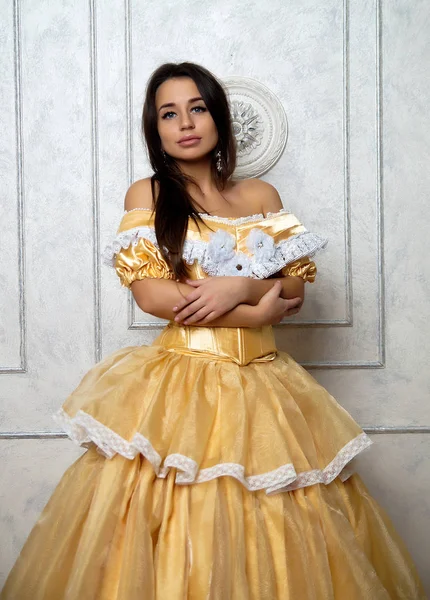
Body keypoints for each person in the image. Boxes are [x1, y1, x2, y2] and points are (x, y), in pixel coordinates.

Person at [1, 61, 426, 600]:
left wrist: (235, 289)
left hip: (267, 384)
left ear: (218, 118)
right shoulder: (149, 193)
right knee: (185, 515)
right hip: (186, 379)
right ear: (154, 130)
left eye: (197, 108)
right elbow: (154, 296)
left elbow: (294, 292)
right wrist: (255, 310)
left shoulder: (261, 198)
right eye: (168, 114)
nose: (185, 123)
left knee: (285, 515)